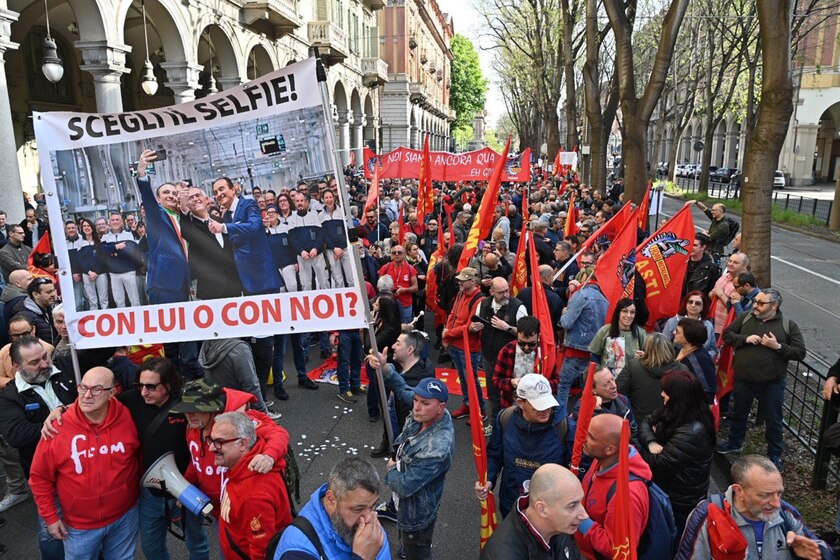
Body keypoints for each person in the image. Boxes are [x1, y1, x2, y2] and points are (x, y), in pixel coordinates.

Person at [29, 367, 141, 560]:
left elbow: (138, 457)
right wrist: (50, 517)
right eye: (83, 388)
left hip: (125, 517)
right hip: (80, 526)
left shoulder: (127, 415)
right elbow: (40, 477)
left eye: (97, 389)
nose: (87, 395)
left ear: (112, 392)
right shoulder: (58, 427)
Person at [171, 380, 290, 518]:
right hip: (215, 508)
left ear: (213, 408)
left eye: (195, 410)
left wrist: (269, 456)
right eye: (185, 410)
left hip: (239, 505)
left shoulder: (235, 423)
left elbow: (278, 434)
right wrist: (186, 487)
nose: (189, 415)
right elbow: (196, 460)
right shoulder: (193, 429)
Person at [718, 289, 806, 471]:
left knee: (774, 418)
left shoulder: (788, 325)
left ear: (774, 306)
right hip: (744, 378)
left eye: (760, 303)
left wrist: (778, 347)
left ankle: (774, 454)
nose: (755, 305)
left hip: (771, 382)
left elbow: (800, 352)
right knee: (739, 412)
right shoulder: (746, 318)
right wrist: (745, 339)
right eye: (756, 301)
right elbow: (727, 334)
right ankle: (735, 442)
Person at [677, 455, 827, 560]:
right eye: (765, 495)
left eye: (779, 493)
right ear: (739, 491)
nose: (776, 503)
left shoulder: (786, 513)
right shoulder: (707, 515)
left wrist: (816, 553)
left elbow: (823, 551)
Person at [477, 374, 573, 518]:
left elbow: (574, 468)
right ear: (521, 403)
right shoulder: (505, 419)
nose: (546, 409)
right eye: (539, 405)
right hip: (511, 504)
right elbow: (495, 455)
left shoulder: (566, 427)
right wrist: (488, 479)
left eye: (548, 403)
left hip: (548, 511)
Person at [381, 374, 455, 560]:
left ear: (441, 408)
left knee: (416, 548)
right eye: (416, 400)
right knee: (406, 540)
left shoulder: (436, 447)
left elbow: (405, 485)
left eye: (424, 403)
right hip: (405, 506)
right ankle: (406, 549)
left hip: (415, 513)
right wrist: (385, 369)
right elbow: (404, 391)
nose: (416, 407)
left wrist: (391, 471)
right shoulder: (429, 413)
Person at [638, 370, 716, 535]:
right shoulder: (679, 411)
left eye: (665, 391)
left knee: (675, 538)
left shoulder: (692, 432)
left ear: (677, 397)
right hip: (672, 491)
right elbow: (646, 421)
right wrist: (651, 443)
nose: (662, 394)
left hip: (680, 501)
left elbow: (660, 464)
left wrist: (639, 449)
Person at [211, 412, 292, 560]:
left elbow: (261, 551)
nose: (211, 448)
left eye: (219, 442)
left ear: (243, 444)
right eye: (211, 440)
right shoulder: (247, 463)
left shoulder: (252, 496)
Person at [274, 457, 390, 559]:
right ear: (331, 500)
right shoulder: (297, 552)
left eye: (373, 505)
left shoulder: (367, 524)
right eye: (358, 509)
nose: (369, 518)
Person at [576, 414, 652, 559]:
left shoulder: (628, 495)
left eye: (590, 437)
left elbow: (617, 549)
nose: (583, 437)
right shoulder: (604, 459)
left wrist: (579, 519)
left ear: (610, 449)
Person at [479, 463, 585, 560]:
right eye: (572, 506)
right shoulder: (503, 555)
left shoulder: (561, 524)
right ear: (541, 508)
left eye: (580, 502)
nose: (584, 515)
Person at [135, 149, 191, 304]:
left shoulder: (181, 217)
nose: (171, 195)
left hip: (183, 282)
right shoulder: (157, 214)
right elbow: (148, 198)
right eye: (166, 193)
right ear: (158, 199)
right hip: (164, 283)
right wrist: (141, 172)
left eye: (174, 193)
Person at [209, 177, 282, 295]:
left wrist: (224, 227)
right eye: (215, 192)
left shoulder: (249, 204)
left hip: (262, 275)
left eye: (222, 189)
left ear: (233, 190)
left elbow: (253, 227)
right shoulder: (227, 215)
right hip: (245, 278)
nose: (219, 194)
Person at [179, 187, 244, 300]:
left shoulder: (221, 221)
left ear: (206, 199)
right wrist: (182, 201)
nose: (195, 199)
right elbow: (183, 216)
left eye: (198, 195)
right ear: (188, 205)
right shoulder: (189, 226)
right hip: (211, 291)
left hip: (234, 286)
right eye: (190, 198)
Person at [477, 278, 526, 420]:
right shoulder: (483, 304)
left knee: (509, 393)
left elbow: (527, 333)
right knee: (492, 393)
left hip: (510, 360)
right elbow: (476, 324)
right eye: (501, 292)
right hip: (489, 357)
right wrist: (473, 328)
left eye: (507, 290)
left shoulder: (518, 307)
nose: (505, 295)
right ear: (491, 292)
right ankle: (495, 421)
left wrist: (508, 328)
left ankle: (511, 421)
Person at [557, 270, 608, 408]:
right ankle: (584, 417)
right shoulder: (605, 298)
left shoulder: (581, 295)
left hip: (576, 349)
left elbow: (566, 323)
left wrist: (563, 314)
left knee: (564, 385)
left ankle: (561, 421)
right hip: (595, 351)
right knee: (588, 388)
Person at [442, 267, 486, 420]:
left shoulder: (479, 300)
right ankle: (468, 404)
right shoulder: (461, 294)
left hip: (469, 348)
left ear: (472, 281)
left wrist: (448, 333)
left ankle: (480, 410)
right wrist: (447, 335)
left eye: (463, 280)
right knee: (463, 377)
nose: (459, 282)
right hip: (456, 344)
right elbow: (453, 315)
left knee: (471, 380)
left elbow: (470, 327)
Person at [616, 333, 687, 421]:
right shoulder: (682, 369)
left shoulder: (633, 366)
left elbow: (618, 392)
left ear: (647, 349)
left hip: (639, 422)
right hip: (671, 423)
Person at [492, 317, 558, 409]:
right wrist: (511, 382)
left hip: (538, 408)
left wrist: (539, 385)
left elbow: (557, 382)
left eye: (531, 344)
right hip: (511, 405)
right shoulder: (506, 351)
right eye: (521, 343)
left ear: (539, 336)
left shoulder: (546, 354)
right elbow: (496, 381)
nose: (526, 348)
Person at [199, 337, 271, 414]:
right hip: (237, 409)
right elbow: (251, 386)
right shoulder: (240, 350)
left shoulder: (208, 343)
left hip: (217, 407)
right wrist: (262, 411)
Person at [588, 298, 646, 377]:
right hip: (607, 380)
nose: (629, 315)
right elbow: (594, 356)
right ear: (618, 313)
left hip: (632, 380)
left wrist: (644, 356)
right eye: (625, 311)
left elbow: (649, 358)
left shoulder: (640, 333)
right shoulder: (605, 330)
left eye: (632, 312)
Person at [288, 192, 328, 291]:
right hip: (302, 256)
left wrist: (315, 248)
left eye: (302, 200)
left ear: (306, 202)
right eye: (297, 201)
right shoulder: (291, 219)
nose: (300, 203)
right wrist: (301, 251)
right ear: (294, 203)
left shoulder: (314, 216)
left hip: (317, 254)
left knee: (324, 281)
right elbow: (292, 239)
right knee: (306, 284)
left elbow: (320, 235)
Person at [100, 212, 141, 307]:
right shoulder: (105, 237)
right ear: (109, 222)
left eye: (117, 219)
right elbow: (102, 252)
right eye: (112, 220)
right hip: (114, 273)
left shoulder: (128, 235)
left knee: (134, 300)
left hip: (128, 271)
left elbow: (129, 251)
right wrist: (118, 247)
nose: (115, 222)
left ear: (122, 222)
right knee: (119, 301)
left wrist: (111, 251)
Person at [661, 290, 718, 359]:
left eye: (698, 303)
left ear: (703, 307)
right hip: (676, 363)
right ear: (686, 304)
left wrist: (704, 358)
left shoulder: (708, 325)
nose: (693, 305)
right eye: (690, 302)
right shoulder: (673, 321)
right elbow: (663, 345)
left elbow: (713, 349)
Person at [674, 318, 717, 402]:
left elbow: (707, 390)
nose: (674, 333)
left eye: (678, 332)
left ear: (688, 336)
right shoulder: (678, 349)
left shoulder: (701, 359)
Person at [710, 252, 750, 336]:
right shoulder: (724, 276)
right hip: (714, 323)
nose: (731, 264)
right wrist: (712, 293)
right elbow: (712, 295)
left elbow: (735, 308)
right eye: (730, 261)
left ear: (744, 266)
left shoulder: (744, 284)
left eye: (735, 263)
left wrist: (720, 294)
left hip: (727, 327)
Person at [11, 277, 58, 346]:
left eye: (53, 290)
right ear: (35, 294)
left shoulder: (51, 308)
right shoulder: (24, 316)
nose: (53, 294)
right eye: (48, 292)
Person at [379, 244, 418, 324]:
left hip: (405, 305)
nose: (396, 254)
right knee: (389, 329)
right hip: (389, 304)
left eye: (399, 252)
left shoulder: (410, 269)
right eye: (393, 253)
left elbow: (415, 287)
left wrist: (404, 290)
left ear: (404, 254)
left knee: (405, 330)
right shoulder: (385, 268)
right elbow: (379, 286)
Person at [76, 218, 109, 310]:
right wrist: (89, 272)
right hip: (87, 274)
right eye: (84, 226)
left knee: (104, 300)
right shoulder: (80, 243)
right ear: (81, 228)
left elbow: (103, 259)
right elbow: (80, 260)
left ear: (92, 228)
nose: (86, 228)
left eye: (88, 225)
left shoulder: (100, 241)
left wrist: (96, 272)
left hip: (100, 273)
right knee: (92, 300)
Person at [320, 190, 351, 288]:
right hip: (331, 250)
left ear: (334, 198)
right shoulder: (320, 215)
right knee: (338, 279)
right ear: (322, 199)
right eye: (326, 198)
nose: (329, 200)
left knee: (351, 278)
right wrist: (334, 248)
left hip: (344, 248)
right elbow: (324, 235)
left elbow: (346, 231)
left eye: (330, 197)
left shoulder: (342, 212)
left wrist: (340, 248)